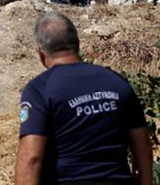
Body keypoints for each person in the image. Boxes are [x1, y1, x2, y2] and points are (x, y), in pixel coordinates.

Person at [15, 11, 152, 185]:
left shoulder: (40, 89)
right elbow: (144, 150)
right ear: (77, 43)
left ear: (40, 52)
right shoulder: (117, 83)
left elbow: (31, 158)